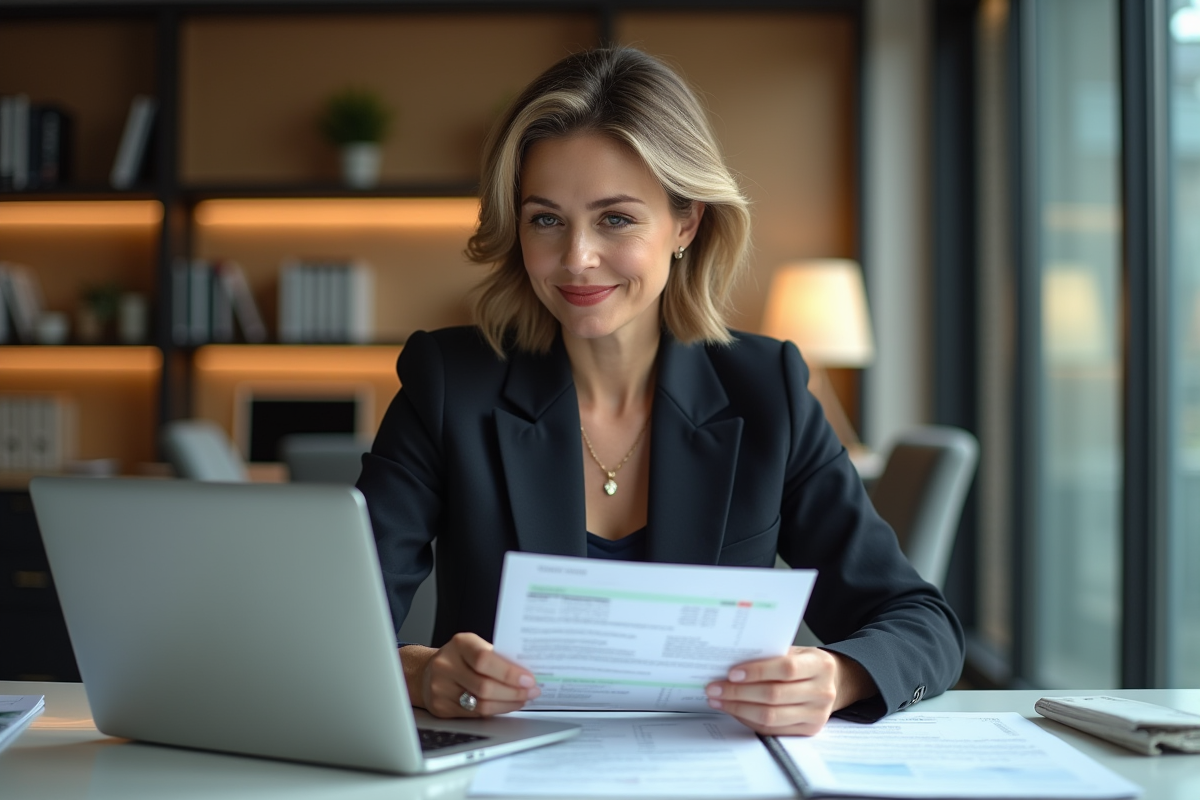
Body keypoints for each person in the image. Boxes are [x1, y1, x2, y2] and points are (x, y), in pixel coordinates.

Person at [356, 46, 964, 736]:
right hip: (503, 773)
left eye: (615, 218)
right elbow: (335, 629)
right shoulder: (450, 384)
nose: (577, 257)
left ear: (686, 223)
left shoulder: (768, 390)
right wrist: (419, 670)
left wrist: (836, 676)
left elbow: (923, 623)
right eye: (545, 219)